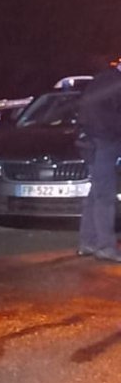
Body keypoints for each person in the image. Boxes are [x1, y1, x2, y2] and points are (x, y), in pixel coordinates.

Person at [77, 56, 121, 261]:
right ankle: (105, 246)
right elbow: (112, 118)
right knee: (105, 196)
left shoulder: (101, 79)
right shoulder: (115, 83)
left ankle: (88, 242)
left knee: (96, 193)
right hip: (104, 143)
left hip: (92, 143)